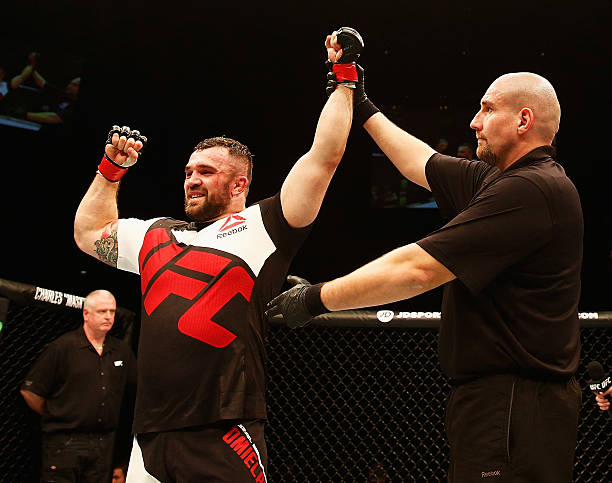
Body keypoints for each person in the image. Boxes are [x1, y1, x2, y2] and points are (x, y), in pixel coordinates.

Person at [266, 39, 583, 482]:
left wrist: (316, 299)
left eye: (487, 109)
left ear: (523, 120)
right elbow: (420, 162)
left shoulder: (530, 190)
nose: (474, 122)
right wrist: (360, 99)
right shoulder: (502, 180)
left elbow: (417, 269)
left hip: (515, 405)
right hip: (507, 404)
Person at [73, 28, 363, 483]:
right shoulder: (154, 234)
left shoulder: (264, 227)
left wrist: (343, 78)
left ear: (239, 184)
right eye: (189, 171)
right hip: (148, 437)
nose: (192, 179)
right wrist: (111, 172)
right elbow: (89, 233)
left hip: (223, 428)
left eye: (206, 172)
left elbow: (323, 158)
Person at [20, 290, 136, 483]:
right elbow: (30, 391)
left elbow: (133, 392)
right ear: (86, 314)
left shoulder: (121, 351)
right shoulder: (62, 347)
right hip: (65, 440)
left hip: (104, 444)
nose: (108, 316)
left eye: (112, 311)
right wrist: (56, 413)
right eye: (102, 311)